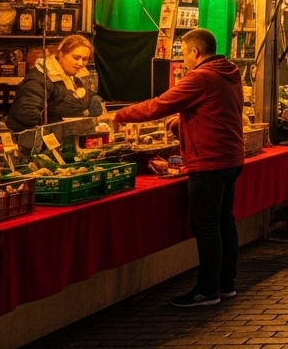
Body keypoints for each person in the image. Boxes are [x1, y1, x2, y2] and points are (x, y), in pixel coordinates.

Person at [103, 29, 244, 307]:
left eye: (183, 53)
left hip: (209, 161)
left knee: (206, 227)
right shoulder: (228, 71)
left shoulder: (201, 76)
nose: (184, 60)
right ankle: (226, 284)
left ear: (195, 52)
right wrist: (183, 125)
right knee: (224, 222)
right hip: (230, 157)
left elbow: (161, 105)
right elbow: (218, 113)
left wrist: (119, 115)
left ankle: (208, 290)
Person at [6, 35, 103, 131]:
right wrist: (51, 136)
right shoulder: (41, 78)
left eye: (85, 59)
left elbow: (85, 100)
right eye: (76, 58)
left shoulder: (72, 76)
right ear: (61, 54)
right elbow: (26, 113)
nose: (81, 63)